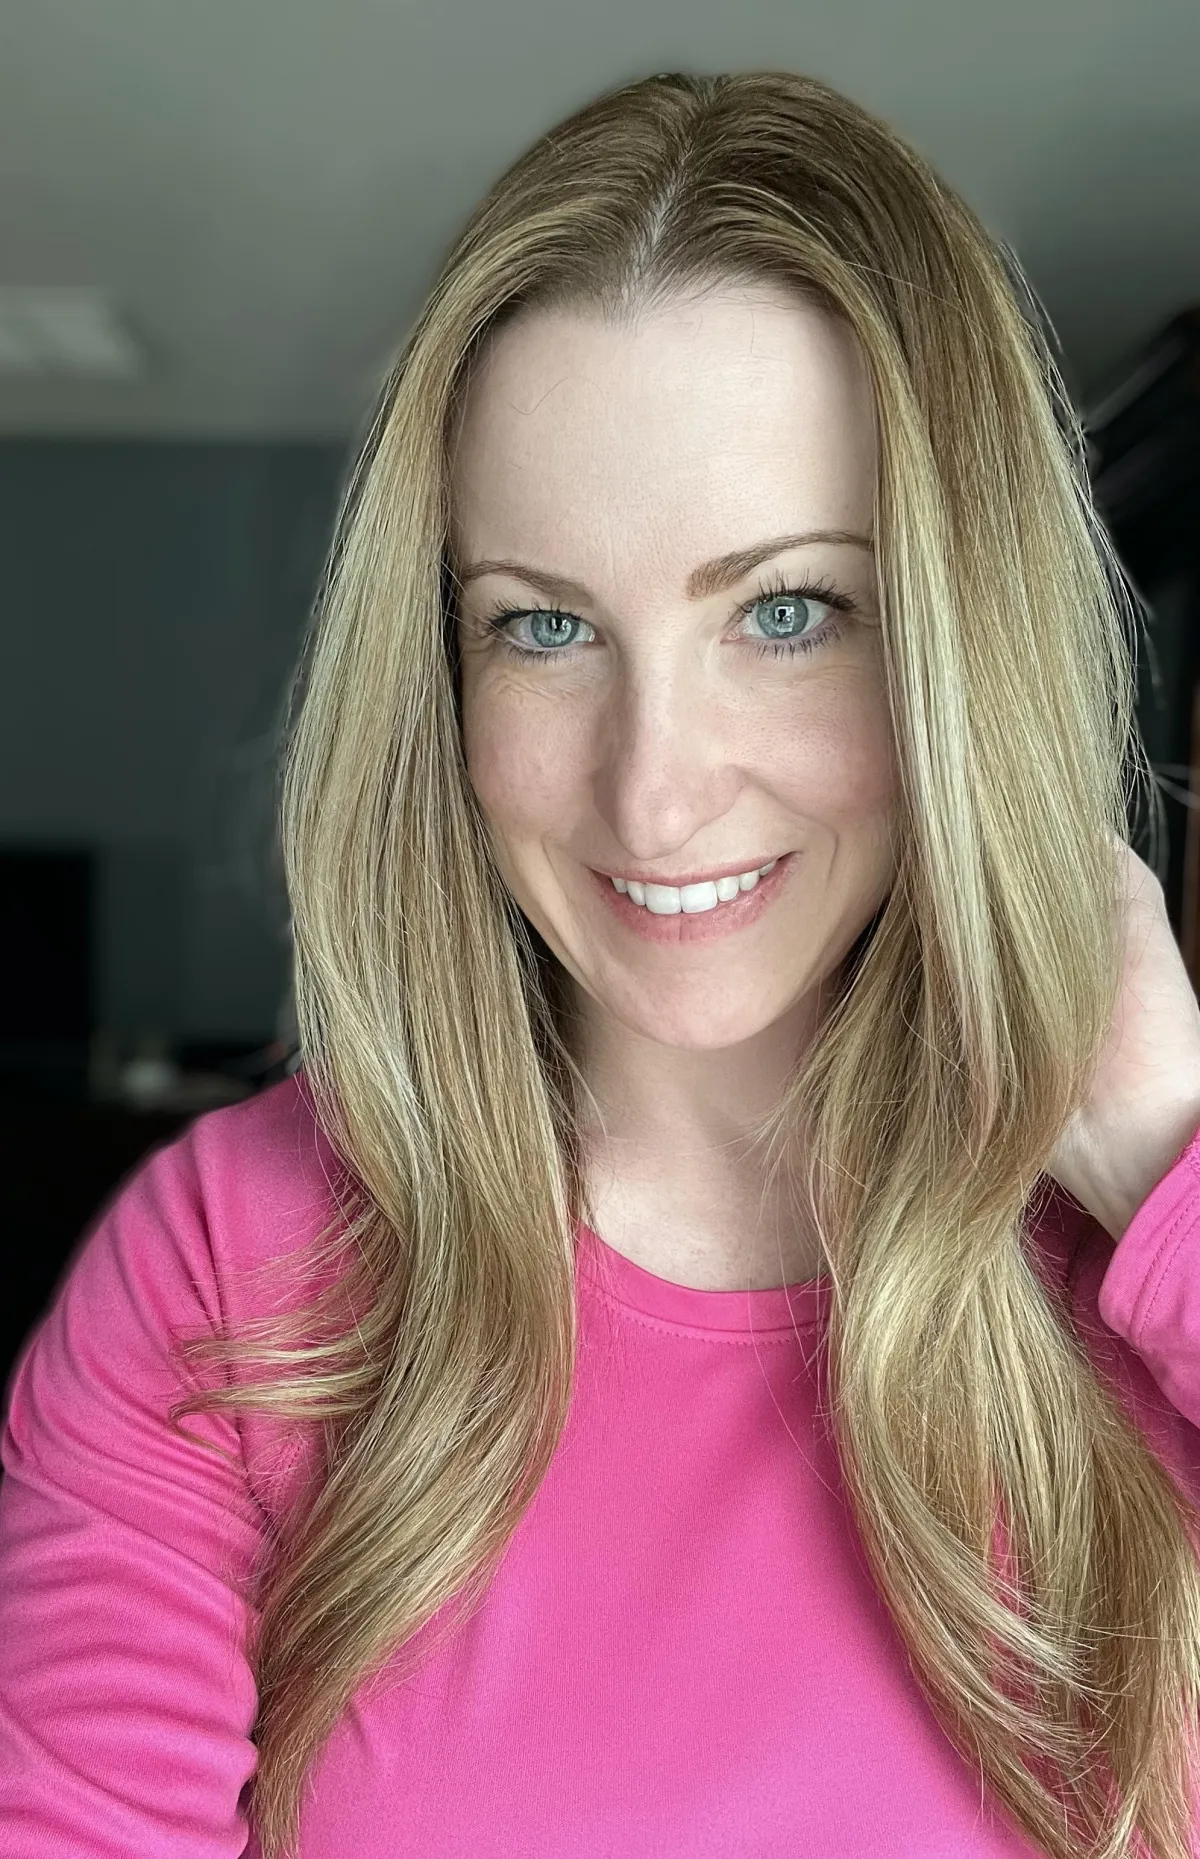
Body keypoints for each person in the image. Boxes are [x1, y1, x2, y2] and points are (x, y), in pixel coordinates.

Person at [3, 67, 1200, 1859]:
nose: (652, 788)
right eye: (546, 625)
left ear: (959, 641)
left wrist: (1169, 1158)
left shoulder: (1145, 1265)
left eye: (787, 609)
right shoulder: (221, 1272)